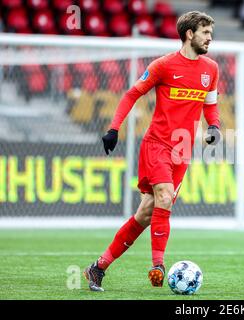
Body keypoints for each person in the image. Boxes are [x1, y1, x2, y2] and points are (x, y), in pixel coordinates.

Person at [84, 11, 221, 292]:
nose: (210, 37)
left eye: (211, 32)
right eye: (205, 32)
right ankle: (158, 265)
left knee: (146, 214)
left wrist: (214, 126)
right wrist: (113, 129)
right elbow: (131, 94)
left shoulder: (211, 69)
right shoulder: (164, 65)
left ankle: (98, 268)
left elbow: (210, 104)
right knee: (165, 197)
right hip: (157, 144)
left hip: (183, 150)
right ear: (189, 34)